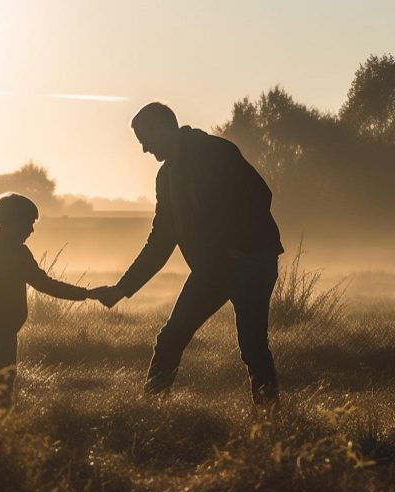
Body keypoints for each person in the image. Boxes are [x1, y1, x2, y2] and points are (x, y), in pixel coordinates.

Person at [93, 102, 284, 406]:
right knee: (170, 338)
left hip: (251, 261)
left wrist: (236, 247)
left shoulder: (215, 151)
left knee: (252, 345)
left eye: (145, 139)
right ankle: (150, 412)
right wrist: (122, 289)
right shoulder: (165, 177)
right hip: (212, 270)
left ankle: (270, 420)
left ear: (162, 128)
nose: (144, 149)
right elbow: (161, 241)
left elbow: (260, 195)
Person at [0, 192, 102, 408]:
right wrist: (87, 293)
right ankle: (2, 426)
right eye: (28, 223)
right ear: (14, 222)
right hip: (2, 327)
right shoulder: (15, 253)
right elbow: (45, 285)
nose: (31, 230)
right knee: (4, 383)